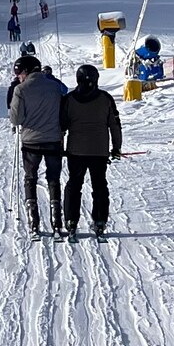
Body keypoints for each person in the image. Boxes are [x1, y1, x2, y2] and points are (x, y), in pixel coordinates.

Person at [61, 64, 124, 236]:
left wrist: (60, 147)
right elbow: (114, 125)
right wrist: (116, 147)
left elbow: (62, 126)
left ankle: (71, 220)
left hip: (75, 150)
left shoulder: (69, 99)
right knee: (99, 185)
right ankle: (100, 220)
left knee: (74, 185)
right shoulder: (105, 99)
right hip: (99, 151)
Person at [8, 52, 69, 232]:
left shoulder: (21, 89)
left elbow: (16, 119)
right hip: (53, 139)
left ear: (26, 71)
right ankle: (56, 220)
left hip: (31, 141)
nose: (18, 77)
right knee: (53, 178)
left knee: (30, 178)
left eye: (19, 73)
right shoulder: (55, 86)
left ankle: (33, 219)